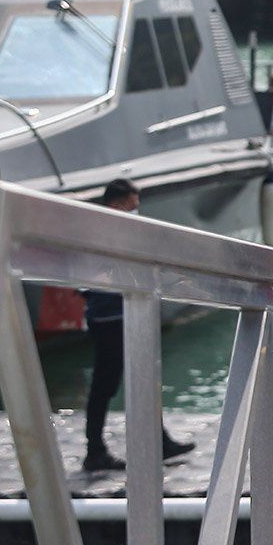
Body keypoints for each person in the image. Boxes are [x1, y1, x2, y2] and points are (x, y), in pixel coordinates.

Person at [82, 179, 196, 472]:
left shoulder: (97, 226)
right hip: (112, 316)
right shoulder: (107, 228)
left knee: (144, 377)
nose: (136, 211)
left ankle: (158, 441)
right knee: (106, 385)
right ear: (119, 203)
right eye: (133, 205)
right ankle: (95, 451)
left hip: (122, 312)